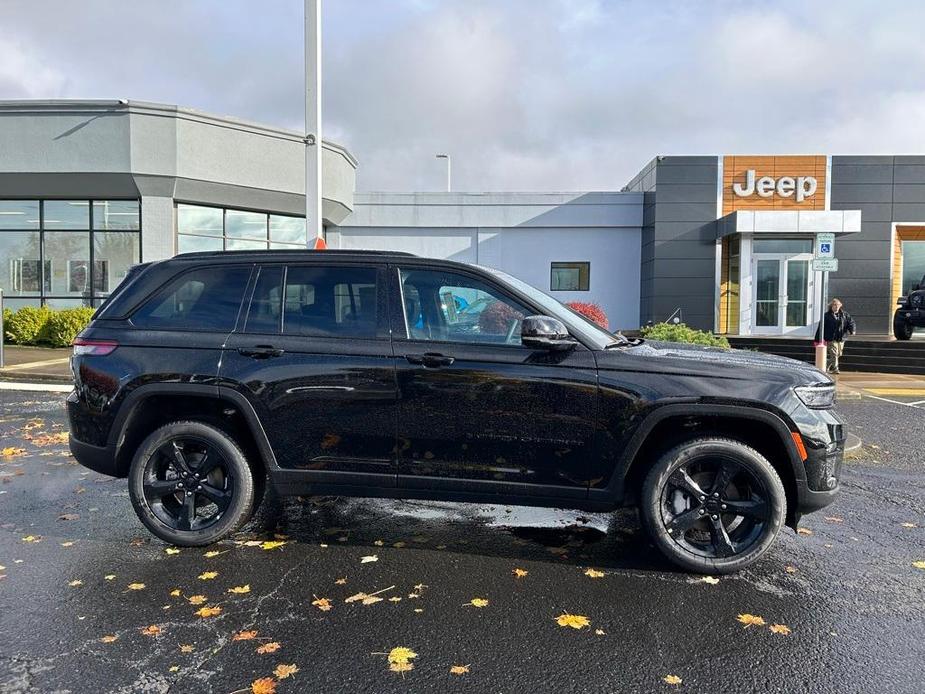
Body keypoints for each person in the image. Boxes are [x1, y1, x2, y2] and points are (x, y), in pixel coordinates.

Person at [815, 298, 856, 374]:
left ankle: (825, 365)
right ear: (831, 306)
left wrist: (852, 330)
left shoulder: (845, 315)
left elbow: (851, 323)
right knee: (834, 354)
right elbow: (821, 327)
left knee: (838, 354)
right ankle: (835, 369)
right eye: (834, 305)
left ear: (840, 306)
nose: (836, 307)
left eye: (837, 305)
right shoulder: (826, 316)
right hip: (831, 338)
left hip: (841, 338)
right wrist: (817, 339)